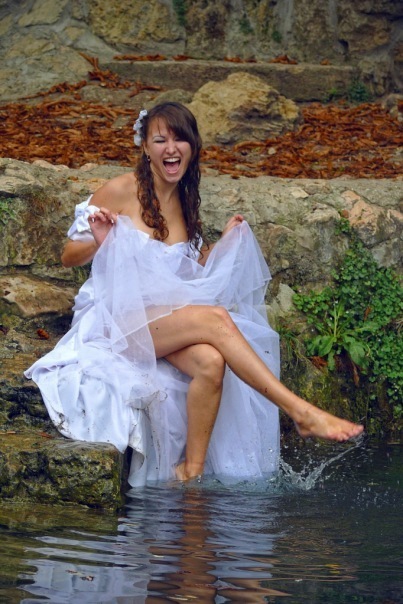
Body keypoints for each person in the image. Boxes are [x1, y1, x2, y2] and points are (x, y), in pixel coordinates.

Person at [25, 102, 363, 486]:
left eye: (180, 139)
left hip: (161, 321)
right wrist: (102, 241)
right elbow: (68, 256)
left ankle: (191, 471)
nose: (171, 148)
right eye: (160, 140)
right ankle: (301, 413)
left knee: (211, 361)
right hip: (117, 320)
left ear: (193, 147)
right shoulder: (122, 189)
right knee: (216, 319)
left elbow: (186, 269)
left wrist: (225, 245)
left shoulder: (184, 199)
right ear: (145, 148)